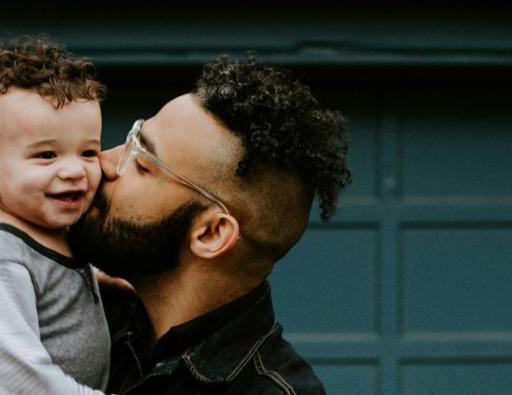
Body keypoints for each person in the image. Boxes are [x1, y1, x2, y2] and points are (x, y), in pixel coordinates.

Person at [69, 55, 352, 394]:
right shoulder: (73, 311)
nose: (104, 161)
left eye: (142, 162)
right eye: (132, 138)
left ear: (211, 233)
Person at [0, 36, 110, 395]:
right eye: (46, 155)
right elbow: (20, 377)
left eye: (87, 152)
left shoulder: (56, 232)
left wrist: (104, 281)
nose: (73, 170)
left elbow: (55, 282)